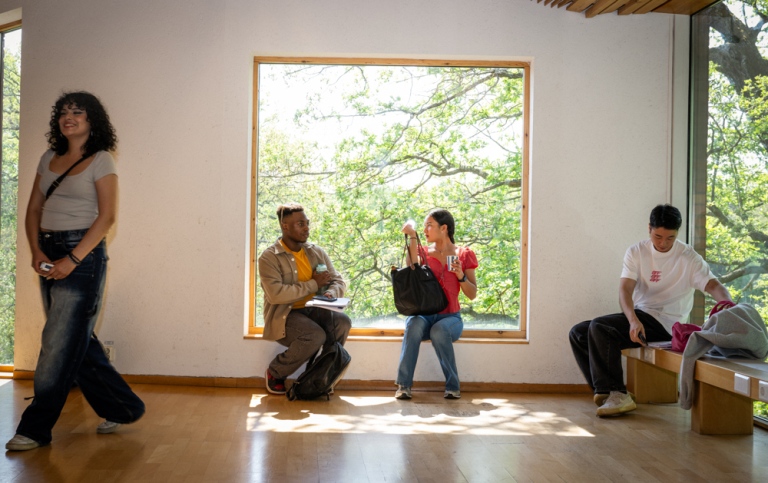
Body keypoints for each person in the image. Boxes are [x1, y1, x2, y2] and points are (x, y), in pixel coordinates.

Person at [6, 92, 145, 452]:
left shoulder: (102, 160)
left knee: (57, 342)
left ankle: (36, 428)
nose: (69, 117)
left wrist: (74, 258)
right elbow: (34, 209)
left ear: (92, 120)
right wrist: (37, 249)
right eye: (63, 112)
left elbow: (107, 216)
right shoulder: (48, 158)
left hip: (82, 254)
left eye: (77, 112)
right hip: (48, 250)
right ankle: (123, 406)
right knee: (73, 337)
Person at [569, 204, 733, 417]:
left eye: (670, 238)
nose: (663, 243)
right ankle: (608, 391)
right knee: (579, 332)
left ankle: (616, 393)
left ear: (677, 233)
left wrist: (729, 307)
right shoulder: (636, 252)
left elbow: (714, 286)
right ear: (649, 229)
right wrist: (633, 319)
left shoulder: (688, 257)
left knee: (600, 327)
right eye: (658, 236)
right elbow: (625, 289)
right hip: (643, 317)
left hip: (667, 325)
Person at [258, 203, 352, 395]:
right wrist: (313, 285)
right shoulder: (269, 257)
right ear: (285, 226)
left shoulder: (316, 252)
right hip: (286, 313)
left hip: (315, 309)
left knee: (342, 322)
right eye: (300, 224)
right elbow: (276, 294)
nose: (306, 228)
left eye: (307, 223)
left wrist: (330, 293)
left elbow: (337, 280)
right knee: (315, 335)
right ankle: (276, 372)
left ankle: (320, 376)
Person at [395, 209, 478, 400]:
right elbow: (411, 264)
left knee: (439, 331)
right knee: (413, 323)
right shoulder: (423, 252)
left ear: (444, 228)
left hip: (451, 318)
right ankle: (404, 385)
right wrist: (413, 236)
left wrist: (461, 276)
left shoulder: (464, 254)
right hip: (425, 314)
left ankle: (453, 386)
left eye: (429, 225)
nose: (425, 229)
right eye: (423, 226)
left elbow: (472, 294)